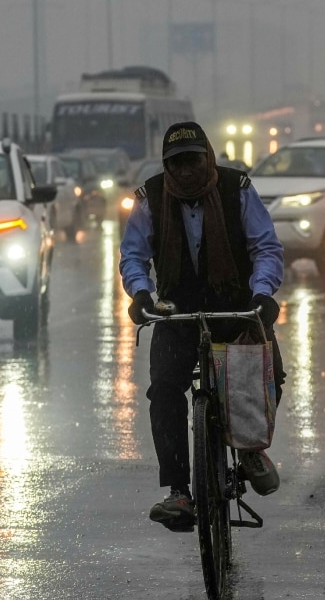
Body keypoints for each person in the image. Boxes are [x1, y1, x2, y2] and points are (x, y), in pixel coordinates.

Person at [119, 121, 286, 532]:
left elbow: (265, 247)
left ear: (207, 157)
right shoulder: (150, 198)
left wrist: (262, 294)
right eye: (177, 163)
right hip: (177, 312)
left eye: (193, 160)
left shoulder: (238, 189)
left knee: (269, 374)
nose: (187, 171)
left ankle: (247, 449)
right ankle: (179, 490)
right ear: (167, 166)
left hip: (236, 309)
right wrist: (140, 294)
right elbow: (133, 256)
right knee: (164, 391)